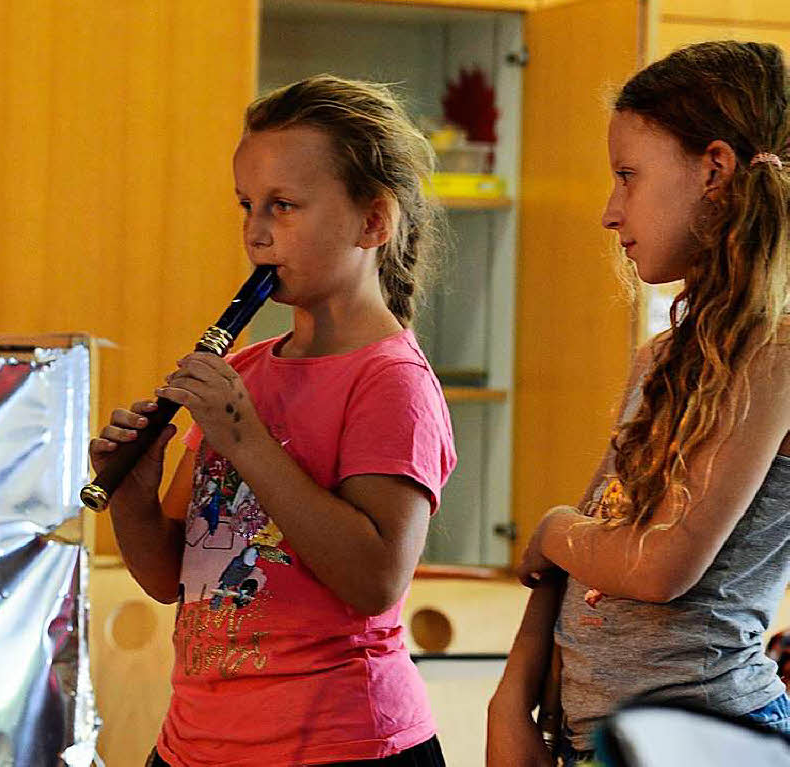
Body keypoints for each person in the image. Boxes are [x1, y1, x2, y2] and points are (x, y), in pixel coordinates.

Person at [89, 75, 456, 766]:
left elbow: (376, 579)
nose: (256, 233)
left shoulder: (392, 381)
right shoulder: (251, 369)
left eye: (284, 207)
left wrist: (246, 439)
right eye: (247, 205)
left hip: (341, 744)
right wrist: (132, 494)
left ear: (374, 221)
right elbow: (173, 575)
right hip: (199, 742)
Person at [488, 41, 790, 767]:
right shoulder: (661, 356)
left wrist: (555, 526)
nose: (608, 211)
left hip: (705, 738)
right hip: (597, 735)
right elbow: (603, 525)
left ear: (714, 171)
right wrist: (511, 697)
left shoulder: (777, 354)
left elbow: (658, 567)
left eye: (628, 176)